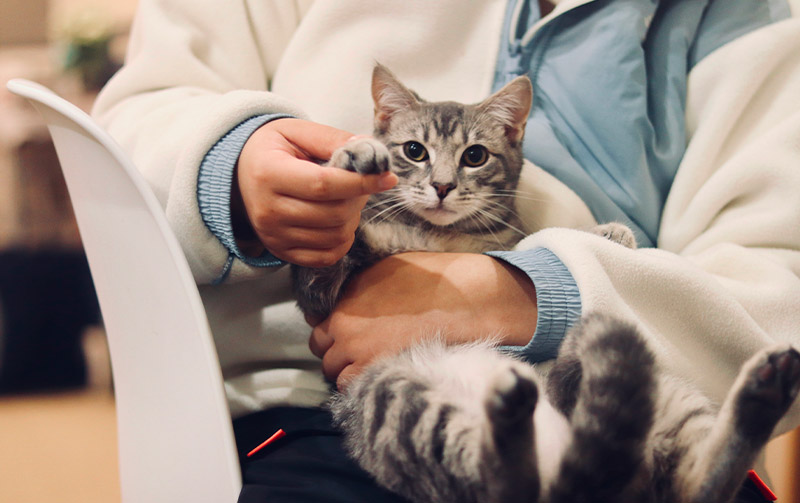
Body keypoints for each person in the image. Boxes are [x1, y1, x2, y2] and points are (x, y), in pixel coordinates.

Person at [93, 0, 800, 501]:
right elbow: (134, 118)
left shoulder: (752, 18)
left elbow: (779, 284)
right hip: (313, 403)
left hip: (600, 396)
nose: (435, 183)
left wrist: (530, 293)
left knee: (642, 413)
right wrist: (236, 164)